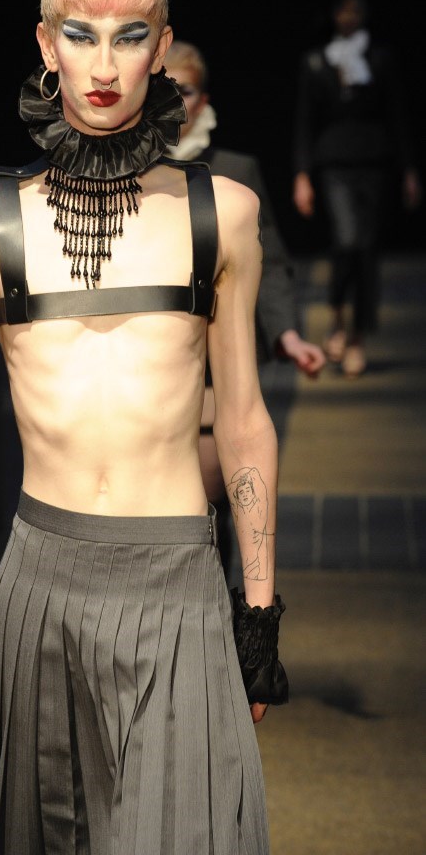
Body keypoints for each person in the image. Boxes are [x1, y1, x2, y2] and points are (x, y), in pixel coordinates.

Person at [0, 0, 289, 854]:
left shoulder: (223, 215)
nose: (104, 64)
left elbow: (244, 421)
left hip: (178, 579)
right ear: (46, 45)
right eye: (80, 34)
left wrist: (257, 614)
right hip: (40, 583)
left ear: (160, 48)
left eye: (129, 36)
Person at [164, 38, 325, 580]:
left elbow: (270, 259)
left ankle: (221, 618)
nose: (174, 100)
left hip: (217, 360)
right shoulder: (121, 172)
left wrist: (286, 334)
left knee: (208, 513)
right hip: (146, 360)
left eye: (185, 90)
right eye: (162, 88)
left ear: (204, 101)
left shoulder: (236, 169)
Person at [292, 0, 422, 377]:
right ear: (333, 14)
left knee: (367, 250)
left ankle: (358, 339)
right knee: (347, 241)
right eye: (343, 10)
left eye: (356, 10)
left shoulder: (379, 58)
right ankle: (336, 319)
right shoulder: (316, 60)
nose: (349, 17)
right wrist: (302, 174)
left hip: (375, 163)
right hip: (334, 164)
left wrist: (409, 169)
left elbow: (398, 114)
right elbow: (304, 120)